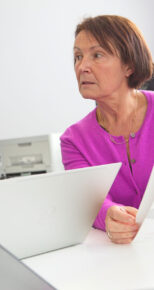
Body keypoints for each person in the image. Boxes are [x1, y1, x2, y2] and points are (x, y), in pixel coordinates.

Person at [60, 15, 153, 244]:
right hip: (124, 255)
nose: (82, 67)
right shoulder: (73, 140)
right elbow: (92, 201)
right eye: (77, 57)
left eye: (97, 55)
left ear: (129, 65)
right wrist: (109, 216)